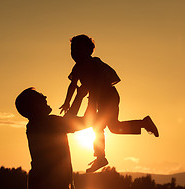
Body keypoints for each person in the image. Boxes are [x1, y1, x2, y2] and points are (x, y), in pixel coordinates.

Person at [60, 34, 159, 173]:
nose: (74, 53)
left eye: (77, 49)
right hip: (97, 99)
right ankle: (143, 123)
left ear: (88, 50)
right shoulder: (77, 68)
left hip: (108, 97)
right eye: (72, 50)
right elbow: (73, 86)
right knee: (113, 127)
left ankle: (100, 157)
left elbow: (97, 86)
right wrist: (66, 102)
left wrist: (91, 107)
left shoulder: (94, 64)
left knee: (97, 125)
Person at [15, 86, 88, 189]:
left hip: (44, 188)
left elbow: (71, 122)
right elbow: (74, 123)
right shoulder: (46, 123)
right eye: (41, 96)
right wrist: (82, 96)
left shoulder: (37, 125)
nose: (46, 97)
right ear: (34, 105)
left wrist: (81, 97)